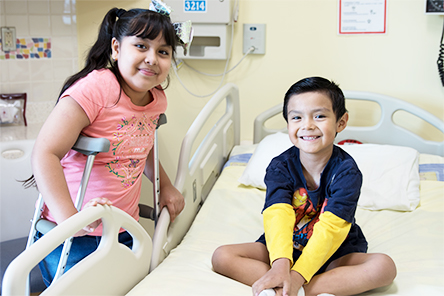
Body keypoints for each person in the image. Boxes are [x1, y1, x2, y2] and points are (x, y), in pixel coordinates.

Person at [29, 0, 191, 286]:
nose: (152, 58)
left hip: (123, 227)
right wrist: (71, 220)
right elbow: (45, 153)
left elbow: (142, 142)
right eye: (141, 46)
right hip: (73, 231)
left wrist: (164, 185)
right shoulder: (98, 87)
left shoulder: (156, 99)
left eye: (163, 52)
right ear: (116, 49)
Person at [212, 77, 397, 296]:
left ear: (341, 122)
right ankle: (287, 281)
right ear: (288, 124)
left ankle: (291, 289)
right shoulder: (280, 166)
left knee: (384, 267)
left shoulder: (347, 172)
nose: (307, 125)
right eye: (297, 117)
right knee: (221, 256)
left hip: (333, 252)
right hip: (284, 248)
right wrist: (281, 264)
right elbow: (277, 214)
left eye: (319, 116)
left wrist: (297, 277)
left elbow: (332, 229)